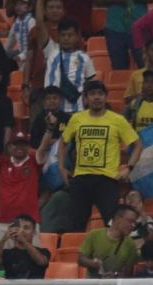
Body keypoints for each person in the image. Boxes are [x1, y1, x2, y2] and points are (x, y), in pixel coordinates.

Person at [59, 81, 142, 232]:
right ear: (86, 98)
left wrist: (129, 168)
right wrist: (61, 167)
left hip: (107, 180)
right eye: (92, 94)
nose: (97, 97)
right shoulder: (77, 119)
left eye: (100, 94)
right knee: (75, 225)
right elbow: (63, 142)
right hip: (80, 179)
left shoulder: (117, 120)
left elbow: (137, 144)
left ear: (105, 97)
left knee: (112, 224)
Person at [79, 204, 140, 278]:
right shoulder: (94, 235)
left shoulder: (131, 244)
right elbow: (81, 259)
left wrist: (115, 275)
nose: (133, 225)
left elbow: (127, 273)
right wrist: (93, 263)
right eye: (130, 221)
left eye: (134, 223)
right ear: (117, 218)